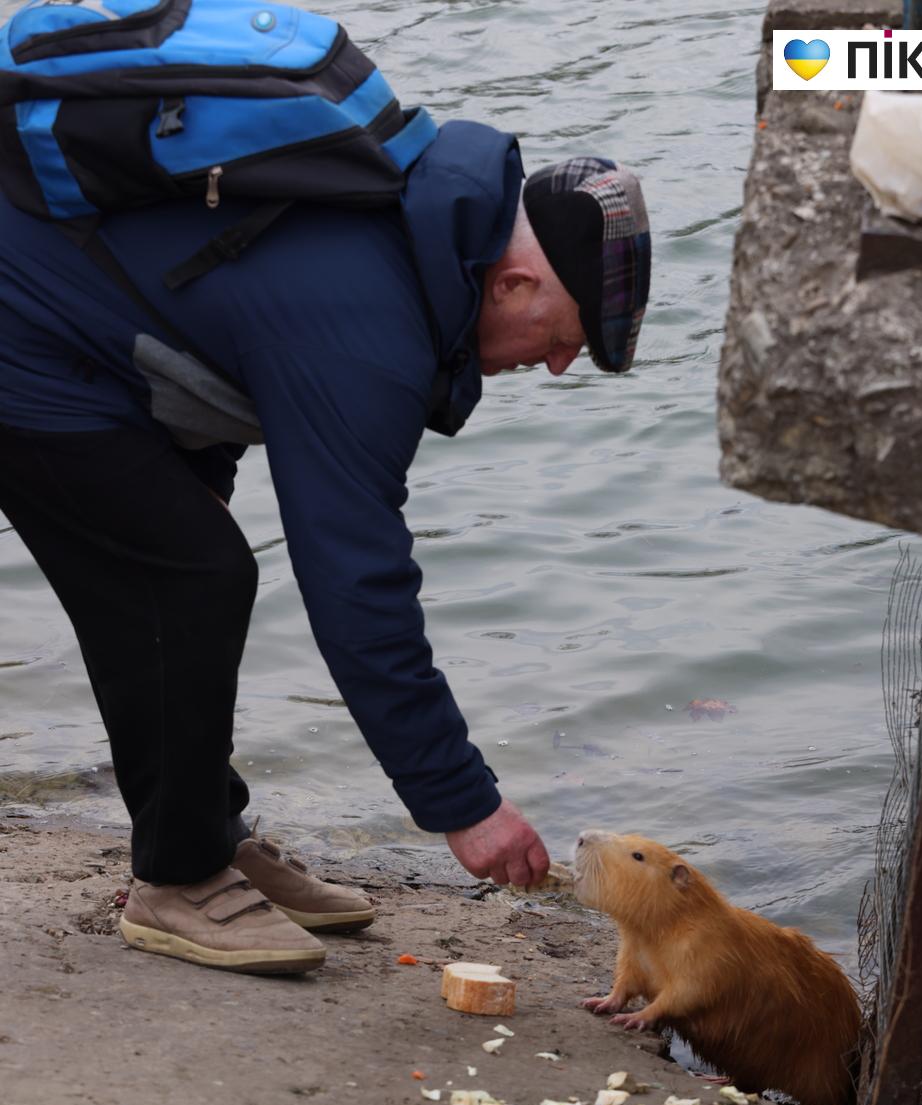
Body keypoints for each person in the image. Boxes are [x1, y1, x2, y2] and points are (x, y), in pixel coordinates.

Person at [0, 121, 650, 976]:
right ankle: (179, 878)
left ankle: (207, 835)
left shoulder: (411, 230)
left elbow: (215, 326)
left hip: (65, 324)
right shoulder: (376, 329)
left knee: (182, 565)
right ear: (517, 282)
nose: (561, 365)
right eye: (565, 336)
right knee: (194, 578)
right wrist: (466, 805)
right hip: (24, 341)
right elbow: (358, 590)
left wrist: (197, 484)